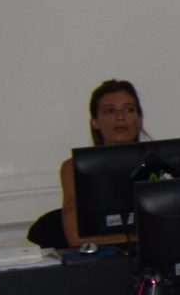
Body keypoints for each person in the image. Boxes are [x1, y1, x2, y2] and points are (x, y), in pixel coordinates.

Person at [56, 79, 146, 247]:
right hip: (103, 264)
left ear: (139, 119)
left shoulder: (162, 164)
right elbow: (77, 239)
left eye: (129, 109)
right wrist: (145, 237)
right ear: (95, 122)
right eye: (110, 111)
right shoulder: (73, 168)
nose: (120, 118)